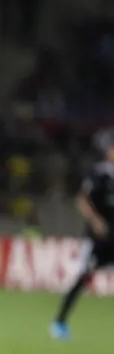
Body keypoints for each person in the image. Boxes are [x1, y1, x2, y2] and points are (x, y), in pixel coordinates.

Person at [51, 133, 114, 340]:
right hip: (99, 239)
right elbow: (82, 200)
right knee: (83, 278)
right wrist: (96, 221)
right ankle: (59, 322)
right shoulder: (100, 174)